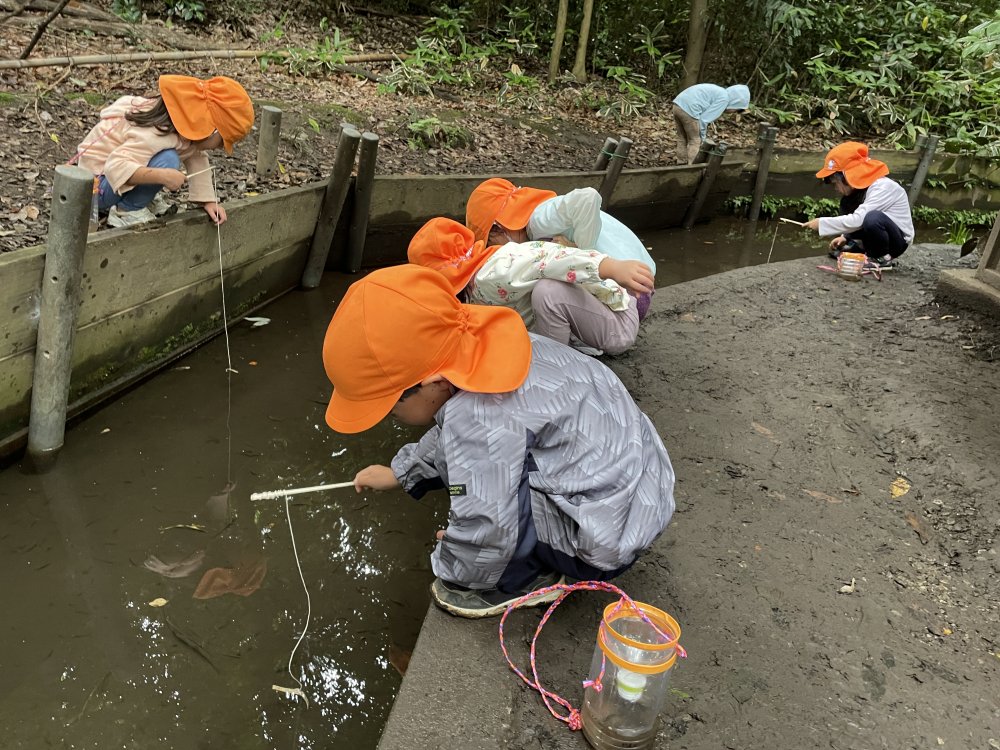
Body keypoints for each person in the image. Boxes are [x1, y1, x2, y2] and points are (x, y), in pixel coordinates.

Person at [322, 264, 676, 618]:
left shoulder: (475, 416)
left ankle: (527, 580)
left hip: (609, 538)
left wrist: (452, 561)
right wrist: (401, 472)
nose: (387, 415)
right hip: (643, 487)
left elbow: (485, 522)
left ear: (434, 381)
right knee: (478, 465)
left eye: (389, 404)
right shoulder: (497, 346)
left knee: (473, 546)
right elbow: (459, 439)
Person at [408, 216, 653, 356]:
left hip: (617, 325)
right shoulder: (473, 292)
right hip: (590, 324)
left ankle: (558, 368)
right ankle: (567, 355)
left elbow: (551, 257)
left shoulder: (498, 268)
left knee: (548, 292)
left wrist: (610, 267)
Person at [74, 75, 254, 228]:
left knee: (166, 158)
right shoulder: (154, 133)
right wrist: (162, 176)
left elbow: (196, 156)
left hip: (109, 182)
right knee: (168, 159)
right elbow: (117, 167)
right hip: (93, 191)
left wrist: (207, 201)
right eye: (222, 141)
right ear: (212, 129)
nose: (220, 148)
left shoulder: (183, 125)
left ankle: (139, 199)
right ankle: (127, 211)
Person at [465, 178, 657, 320]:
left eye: (491, 243)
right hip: (641, 275)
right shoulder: (541, 221)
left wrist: (582, 252)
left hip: (631, 287)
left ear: (498, 227)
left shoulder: (537, 220)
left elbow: (587, 197)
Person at [803, 141, 914, 263]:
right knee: (850, 203)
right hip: (875, 234)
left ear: (846, 176)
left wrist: (821, 223)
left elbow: (859, 220)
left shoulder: (883, 187)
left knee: (873, 218)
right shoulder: (859, 191)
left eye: (836, 183)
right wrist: (845, 237)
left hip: (896, 241)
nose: (835, 188)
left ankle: (882, 259)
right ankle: (861, 248)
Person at [671, 83, 750, 164]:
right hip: (689, 110)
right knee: (695, 141)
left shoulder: (719, 92)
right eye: (737, 110)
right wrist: (703, 139)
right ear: (736, 102)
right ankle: (692, 169)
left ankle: (680, 164)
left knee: (682, 138)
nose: (733, 113)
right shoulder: (724, 99)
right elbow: (704, 120)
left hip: (677, 104)